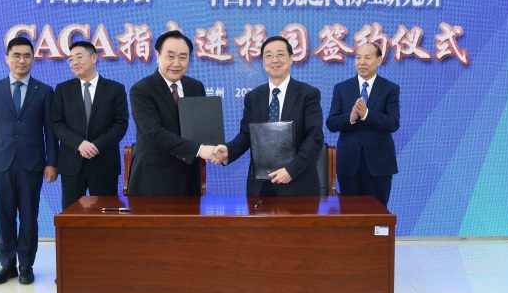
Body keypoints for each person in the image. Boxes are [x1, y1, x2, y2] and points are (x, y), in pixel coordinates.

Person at [0, 37, 58, 285]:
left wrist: (51, 162)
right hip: (1, 163)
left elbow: (50, 131)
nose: (21, 60)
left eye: (27, 56)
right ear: (7, 59)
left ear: (33, 59)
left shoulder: (44, 91)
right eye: (16, 55)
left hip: (32, 163)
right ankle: (7, 265)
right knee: (4, 216)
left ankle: (25, 265)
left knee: (28, 216)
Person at [213, 36, 324, 196]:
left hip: (298, 183)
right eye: (269, 55)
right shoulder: (253, 97)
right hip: (261, 186)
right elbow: (247, 135)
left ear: (291, 58)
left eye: (280, 54)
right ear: (263, 61)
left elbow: (314, 137)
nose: (274, 60)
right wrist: (228, 150)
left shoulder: (308, 94)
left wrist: (291, 170)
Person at [128, 30, 218, 196]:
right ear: (158, 55)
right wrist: (199, 149)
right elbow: (154, 132)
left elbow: (200, 127)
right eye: (170, 56)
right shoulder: (142, 90)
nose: (176, 63)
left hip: (189, 178)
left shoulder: (195, 87)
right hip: (154, 180)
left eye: (183, 57)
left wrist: (215, 148)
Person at [52, 41, 129, 210]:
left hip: (104, 163)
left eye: (79, 57)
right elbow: (57, 124)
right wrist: (79, 144)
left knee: (105, 214)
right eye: (71, 59)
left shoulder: (115, 89)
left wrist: (96, 146)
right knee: (72, 216)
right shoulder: (63, 90)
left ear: (94, 58)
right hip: (72, 164)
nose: (74, 63)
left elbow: (120, 124)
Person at [326, 42, 400, 207]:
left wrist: (367, 114)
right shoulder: (342, 88)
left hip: (379, 164)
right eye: (358, 58)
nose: (362, 62)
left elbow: (393, 123)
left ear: (379, 60)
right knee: (350, 213)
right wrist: (351, 117)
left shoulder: (390, 89)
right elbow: (331, 123)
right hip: (349, 163)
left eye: (367, 58)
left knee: (377, 213)